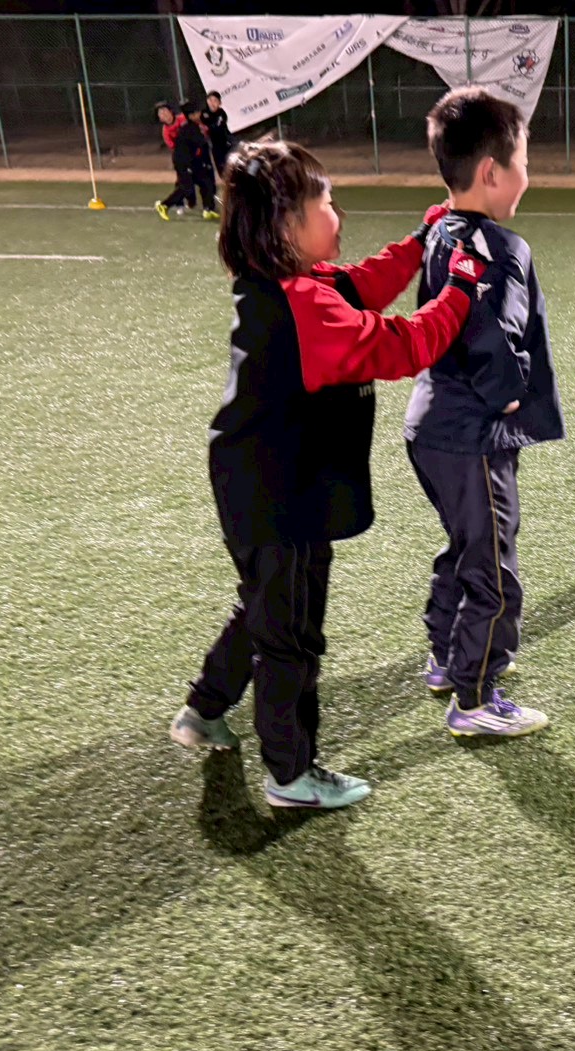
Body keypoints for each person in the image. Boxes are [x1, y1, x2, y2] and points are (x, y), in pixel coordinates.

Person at [169, 138, 488, 809]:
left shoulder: (302, 285)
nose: (338, 214)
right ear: (289, 225)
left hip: (271, 480)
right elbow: (406, 344)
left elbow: (366, 282)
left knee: (265, 607)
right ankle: (291, 775)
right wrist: (461, 286)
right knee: (292, 633)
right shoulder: (306, 307)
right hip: (275, 491)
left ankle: (203, 710)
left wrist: (421, 238)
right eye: (327, 203)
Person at [404, 87, 564, 739]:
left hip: (432, 425)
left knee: (467, 547)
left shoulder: (440, 231)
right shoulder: (500, 247)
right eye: (523, 161)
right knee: (494, 566)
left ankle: (447, 658)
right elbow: (492, 332)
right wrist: (510, 392)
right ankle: (474, 696)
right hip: (471, 431)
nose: (528, 173)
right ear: (493, 172)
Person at [159, 101, 219, 221]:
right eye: (196, 113)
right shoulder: (190, 128)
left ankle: (208, 210)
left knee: (206, 182)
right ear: (191, 116)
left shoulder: (193, 125)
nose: (199, 114)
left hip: (193, 160)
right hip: (183, 161)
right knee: (187, 187)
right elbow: (201, 143)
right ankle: (164, 205)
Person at [153, 100, 185, 219]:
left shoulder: (182, 119)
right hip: (182, 157)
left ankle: (208, 206)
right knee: (184, 182)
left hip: (196, 154)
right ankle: (175, 204)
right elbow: (173, 146)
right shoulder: (166, 131)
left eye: (165, 111)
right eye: (160, 113)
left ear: (171, 111)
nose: (164, 114)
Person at [204, 91, 234, 175]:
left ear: (219, 103)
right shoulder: (204, 113)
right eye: (210, 100)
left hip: (225, 142)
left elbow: (220, 126)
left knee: (230, 164)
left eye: (215, 100)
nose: (212, 103)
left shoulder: (221, 113)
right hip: (214, 145)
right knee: (220, 167)